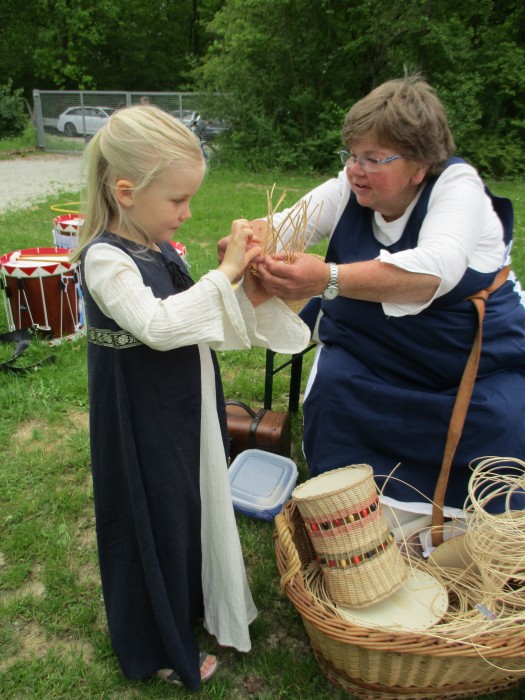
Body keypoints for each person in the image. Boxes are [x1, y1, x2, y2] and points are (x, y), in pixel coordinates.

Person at [74, 104, 310, 690]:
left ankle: (189, 605)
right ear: (126, 192)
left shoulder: (158, 247)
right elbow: (158, 325)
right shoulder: (105, 258)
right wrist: (224, 272)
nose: (186, 212)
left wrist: (249, 288)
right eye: (177, 200)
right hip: (139, 417)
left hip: (183, 405)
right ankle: (157, 644)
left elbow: (194, 320)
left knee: (185, 509)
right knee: (149, 521)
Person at [236, 74, 525, 531]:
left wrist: (327, 278)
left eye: (373, 159)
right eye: (352, 155)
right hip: (374, 351)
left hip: (463, 356)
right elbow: (288, 225)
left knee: (501, 417)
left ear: (420, 165)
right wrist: (247, 241)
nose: (355, 169)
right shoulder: (350, 187)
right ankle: (352, 517)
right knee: (334, 390)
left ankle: (463, 530)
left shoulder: (457, 187)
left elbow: (434, 270)